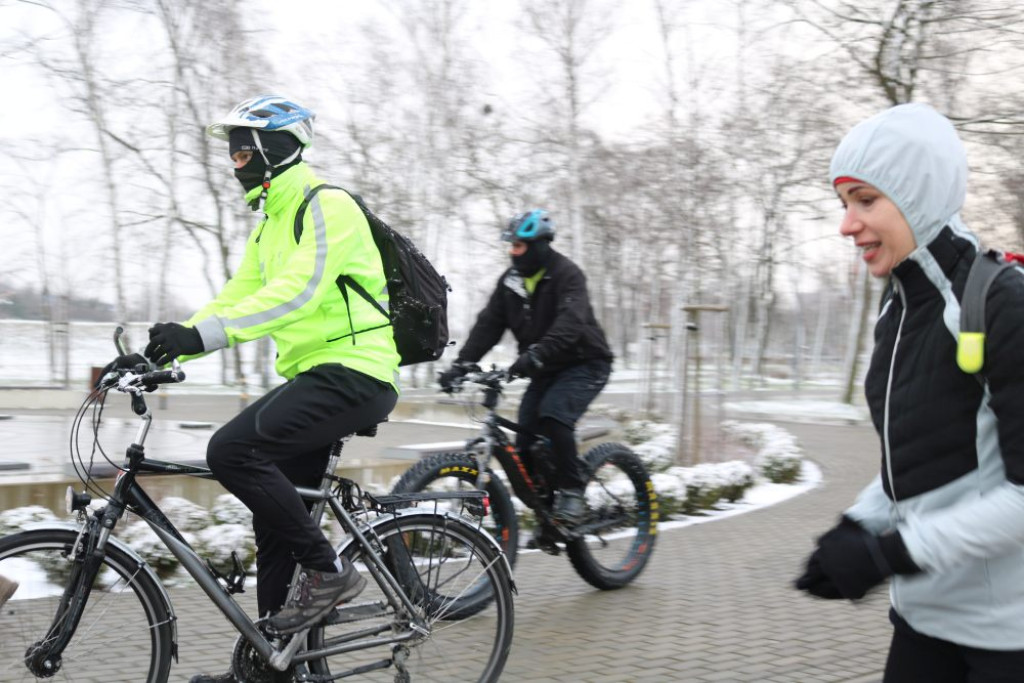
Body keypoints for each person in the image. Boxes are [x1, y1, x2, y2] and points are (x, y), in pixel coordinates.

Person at [108, 95, 401, 683]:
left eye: (244, 148)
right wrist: (170, 341)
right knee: (273, 525)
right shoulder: (271, 220)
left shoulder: (328, 205)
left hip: (357, 370)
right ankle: (276, 665)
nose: (235, 160)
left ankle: (330, 572)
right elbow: (240, 295)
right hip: (316, 373)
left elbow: (300, 291)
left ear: (276, 147)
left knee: (231, 451)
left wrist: (202, 337)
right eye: (233, 150)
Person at [795, 102, 1024, 682]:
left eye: (866, 201)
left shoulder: (1001, 304)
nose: (847, 224)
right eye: (844, 204)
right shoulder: (901, 309)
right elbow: (921, 455)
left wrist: (891, 554)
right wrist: (861, 522)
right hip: (922, 618)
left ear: (918, 194)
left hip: (1006, 634)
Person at [439, 210, 614, 525]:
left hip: (586, 363)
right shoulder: (512, 282)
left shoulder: (567, 275)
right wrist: (463, 364)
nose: (513, 252)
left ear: (540, 244)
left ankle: (573, 492)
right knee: (524, 442)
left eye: (519, 246)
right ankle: (550, 514)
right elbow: (488, 325)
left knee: (555, 416)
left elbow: (570, 323)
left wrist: (536, 353)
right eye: (511, 246)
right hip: (544, 369)